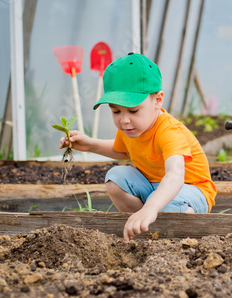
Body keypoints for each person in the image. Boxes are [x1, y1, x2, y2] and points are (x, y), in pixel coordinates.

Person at [59, 52, 217, 243]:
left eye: (133, 110)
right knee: (115, 178)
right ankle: (142, 227)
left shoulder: (169, 131)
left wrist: (150, 207)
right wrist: (90, 144)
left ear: (157, 101)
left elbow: (175, 175)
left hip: (190, 189)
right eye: (116, 111)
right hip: (153, 187)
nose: (124, 120)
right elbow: (121, 150)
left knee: (169, 204)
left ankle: (184, 229)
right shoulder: (131, 128)